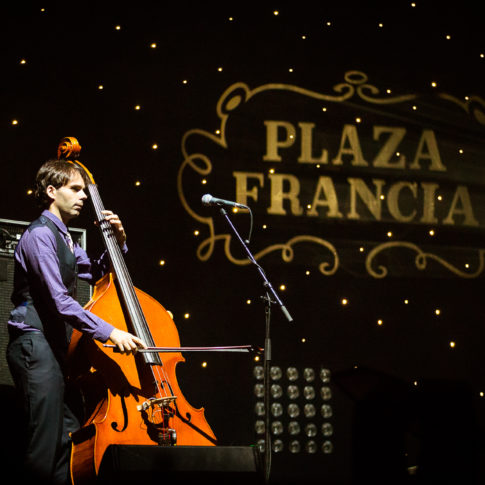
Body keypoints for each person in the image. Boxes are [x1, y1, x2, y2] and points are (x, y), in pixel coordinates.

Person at [6, 159, 146, 485]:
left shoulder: (65, 237)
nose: (83, 196)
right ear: (51, 191)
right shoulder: (40, 236)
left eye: (85, 190)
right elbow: (60, 301)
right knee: (43, 446)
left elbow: (98, 272)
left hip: (54, 351)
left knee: (68, 439)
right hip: (33, 344)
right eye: (76, 188)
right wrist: (110, 332)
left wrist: (119, 241)